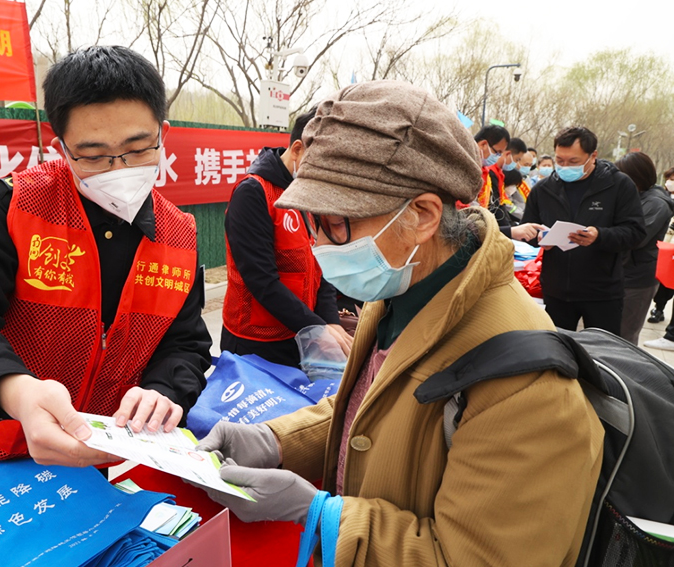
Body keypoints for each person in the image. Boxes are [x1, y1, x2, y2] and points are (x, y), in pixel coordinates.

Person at [195, 80, 603, 566]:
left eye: (336, 223)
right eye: (309, 222)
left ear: (424, 215)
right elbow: (371, 413)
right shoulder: (399, 290)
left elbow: (474, 557)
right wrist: (274, 440)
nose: (317, 243)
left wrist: (321, 514)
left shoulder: (525, 383)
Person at [0, 46, 212, 489]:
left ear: (163, 134)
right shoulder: (14, 204)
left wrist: (163, 392)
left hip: (90, 463)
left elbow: (185, 344)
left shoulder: (179, 233)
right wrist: (16, 390)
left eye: (137, 148)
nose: (119, 169)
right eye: (93, 154)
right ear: (61, 147)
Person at [222, 107, 352, 367]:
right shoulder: (254, 193)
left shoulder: (307, 196)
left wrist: (329, 322)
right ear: (296, 150)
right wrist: (316, 327)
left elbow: (320, 266)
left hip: (300, 336)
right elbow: (262, 281)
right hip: (255, 345)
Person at [522, 126, 645, 334]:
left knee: (602, 354)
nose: (565, 166)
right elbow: (528, 230)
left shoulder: (618, 185)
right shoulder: (544, 190)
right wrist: (541, 239)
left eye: (573, 162)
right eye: (560, 160)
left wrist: (600, 236)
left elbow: (635, 232)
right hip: (556, 290)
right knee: (558, 352)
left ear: (593, 156)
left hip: (602, 292)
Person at [614, 152, 674, 345]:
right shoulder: (636, 196)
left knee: (625, 335)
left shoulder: (656, 203)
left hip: (637, 278)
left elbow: (635, 237)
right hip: (623, 272)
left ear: (635, 176)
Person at [646, 166, 674, 324]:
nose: (670, 183)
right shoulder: (661, 197)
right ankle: (659, 308)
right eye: (669, 179)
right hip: (662, 246)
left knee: (669, 283)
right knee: (662, 281)